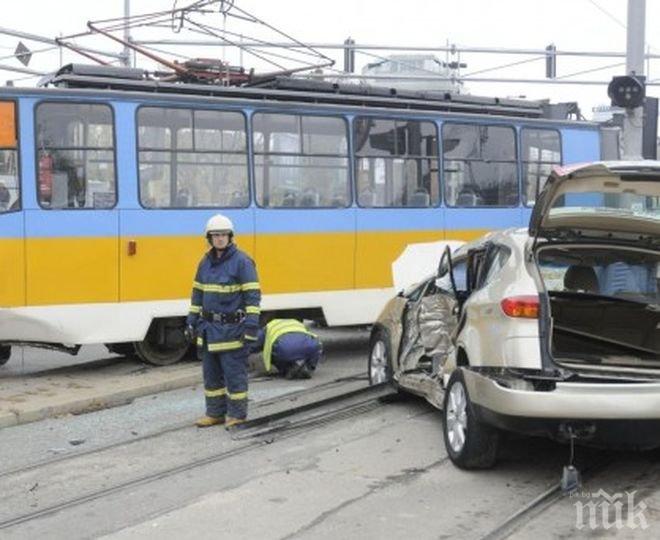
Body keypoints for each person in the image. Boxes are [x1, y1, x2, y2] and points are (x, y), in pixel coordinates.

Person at [186, 213, 261, 429]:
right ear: (209, 238)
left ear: (230, 237)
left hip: (232, 331)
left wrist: (250, 327)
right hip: (209, 330)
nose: (219, 239)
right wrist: (191, 321)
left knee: (234, 376)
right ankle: (215, 413)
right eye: (215, 235)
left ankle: (237, 414)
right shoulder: (205, 263)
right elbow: (197, 294)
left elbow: (253, 297)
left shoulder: (242, 262)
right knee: (211, 377)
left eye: (223, 235)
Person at [251, 319, 322, 379]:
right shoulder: (296, 322)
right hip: (309, 346)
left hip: (283, 349)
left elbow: (255, 345)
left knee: (271, 350)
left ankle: (286, 370)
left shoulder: (268, 327)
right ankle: (307, 367)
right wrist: (312, 364)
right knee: (311, 347)